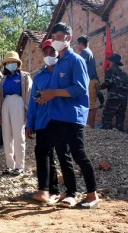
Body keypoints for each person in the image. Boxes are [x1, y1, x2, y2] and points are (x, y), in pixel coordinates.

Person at [36, 22, 99, 208]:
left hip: (72, 116)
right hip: (57, 116)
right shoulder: (59, 63)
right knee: (48, 150)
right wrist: (45, 97)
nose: (55, 41)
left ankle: (92, 196)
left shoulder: (76, 61)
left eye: (58, 37)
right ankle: (69, 193)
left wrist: (54, 93)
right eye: (53, 37)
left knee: (78, 155)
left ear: (68, 38)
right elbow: (55, 90)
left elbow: (80, 89)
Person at [26, 39, 76, 205]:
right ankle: (51, 191)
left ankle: (71, 192)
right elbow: (33, 101)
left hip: (61, 120)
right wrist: (30, 123)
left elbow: (72, 93)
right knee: (44, 155)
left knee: (64, 155)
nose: (48, 55)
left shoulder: (64, 73)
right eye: (45, 53)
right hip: (42, 121)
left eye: (52, 52)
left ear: (57, 52)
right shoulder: (39, 77)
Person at [0, 51, 32, 176]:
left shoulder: (24, 76)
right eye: (8, 62)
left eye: (12, 62)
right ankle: (10, 165)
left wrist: (27, 110)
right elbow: (0, 96)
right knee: (7, 135)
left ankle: (20, 166)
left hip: (19, 103)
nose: (10, 64)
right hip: (6, 104)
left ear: (17, 63)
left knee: (18, 135)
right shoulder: (4, 79)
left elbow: (29, 94)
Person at [100, 54, 128, 131]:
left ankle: (107, 137)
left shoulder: (110, 70)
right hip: (124, 100)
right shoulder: (125, 74)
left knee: (106, 118)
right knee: (120, 121)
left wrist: (99, 87)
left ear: (112, 62)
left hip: (114, 98)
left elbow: (108, 82)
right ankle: (120, 139)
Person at [77, 35, 100, 128]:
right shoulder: (90, 52)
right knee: (92, 103)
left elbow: (79, 66)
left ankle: (91, 126)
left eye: (78, 44)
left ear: (81, 44)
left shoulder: (84, 52)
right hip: (94, 80)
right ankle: (91, 125)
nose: (78, 47)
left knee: (90, 105)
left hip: (90, 81)